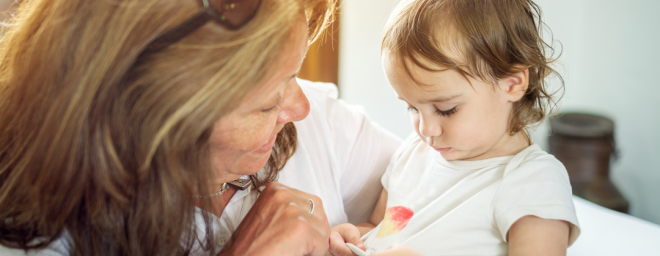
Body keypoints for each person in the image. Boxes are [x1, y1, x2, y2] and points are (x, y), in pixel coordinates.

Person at [0, 0, 367, 255]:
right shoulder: (31, 228)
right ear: (152, 117)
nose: (300, 108)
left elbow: (420, 185)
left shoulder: (324, 121)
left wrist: (373, 238)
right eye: (268, 102)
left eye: (295, 73)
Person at [329, 0, 581, 255]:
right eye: (412, 108)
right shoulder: (413, 154)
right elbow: (381, 228)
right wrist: (354, 236)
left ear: (512, 84)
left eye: (446, 109)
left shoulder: (533, 179)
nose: (426, 130)